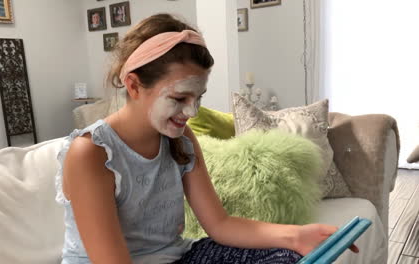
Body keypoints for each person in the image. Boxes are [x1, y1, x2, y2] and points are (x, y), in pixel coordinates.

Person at [55, 13, 359, 264]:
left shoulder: (180, 139)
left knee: (287, 257)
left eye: (198, 97)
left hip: (177, 258)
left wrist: (296, 235)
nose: (192, 111)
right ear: (134, 86)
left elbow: (220, 224)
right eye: (179, 97)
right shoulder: (91, 152)